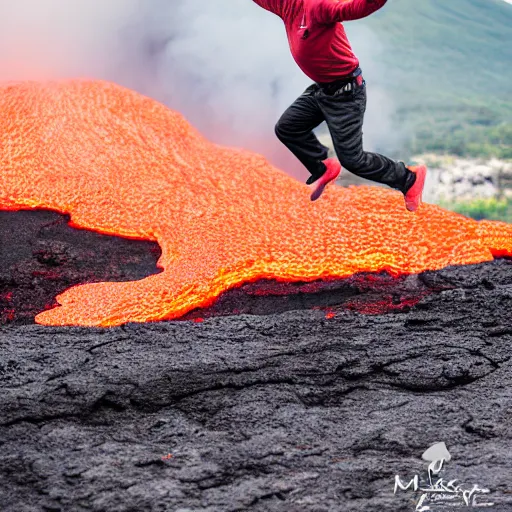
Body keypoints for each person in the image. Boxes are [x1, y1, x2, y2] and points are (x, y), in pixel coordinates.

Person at [252, 0, 427, 209]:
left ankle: (408, 179)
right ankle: (322, 167)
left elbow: (352, 8)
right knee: (288, 127)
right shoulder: (287, 5)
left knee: (353, 160)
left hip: (346, 94)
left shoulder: (319, 6)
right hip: (323, 91)